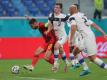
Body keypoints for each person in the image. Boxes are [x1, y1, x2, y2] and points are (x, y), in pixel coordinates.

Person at [68, 4, 107, 75]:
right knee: (75, 52)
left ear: (73, 10)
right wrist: (103, 33)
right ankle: (86, 68)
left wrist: (70, 40)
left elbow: (73, 27)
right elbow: (94, 24)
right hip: (85, 37)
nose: (69, 10)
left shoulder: (72, 17)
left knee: (92, 58)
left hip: (87, 37)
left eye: (70, 9)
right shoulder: (83, 16)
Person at [45, 3, 70, 72]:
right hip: (56, 37)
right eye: (55, 7)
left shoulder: (64, 16)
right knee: (61, 51)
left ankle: (55, 63)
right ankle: (67, 63)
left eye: (57, 7)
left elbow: (71, 23)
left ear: (60, 9)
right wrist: (48, 30)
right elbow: (50, 25)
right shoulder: (51, 15)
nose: (55, 8)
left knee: (56, 46)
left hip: (63, 36)